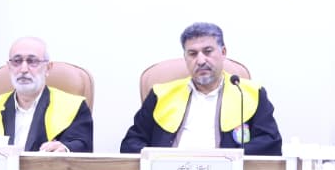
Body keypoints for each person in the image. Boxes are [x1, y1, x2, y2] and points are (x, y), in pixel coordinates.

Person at [120, 22, 282, 155]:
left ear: (223, 52)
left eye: (207, 51)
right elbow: (131, 143)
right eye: (192, 53)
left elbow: (270, 143)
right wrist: (156, 161)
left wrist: (229, 160)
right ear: (185, 57)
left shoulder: (250, 93)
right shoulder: (161, 95)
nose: (200, 60)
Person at [0, 36, 92, 152]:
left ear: (47, 68)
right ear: (9, 67)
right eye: (17, 61)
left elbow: (82, 146)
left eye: (32, 61)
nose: (23, 69)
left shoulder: (72, 107)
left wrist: (65, 149)